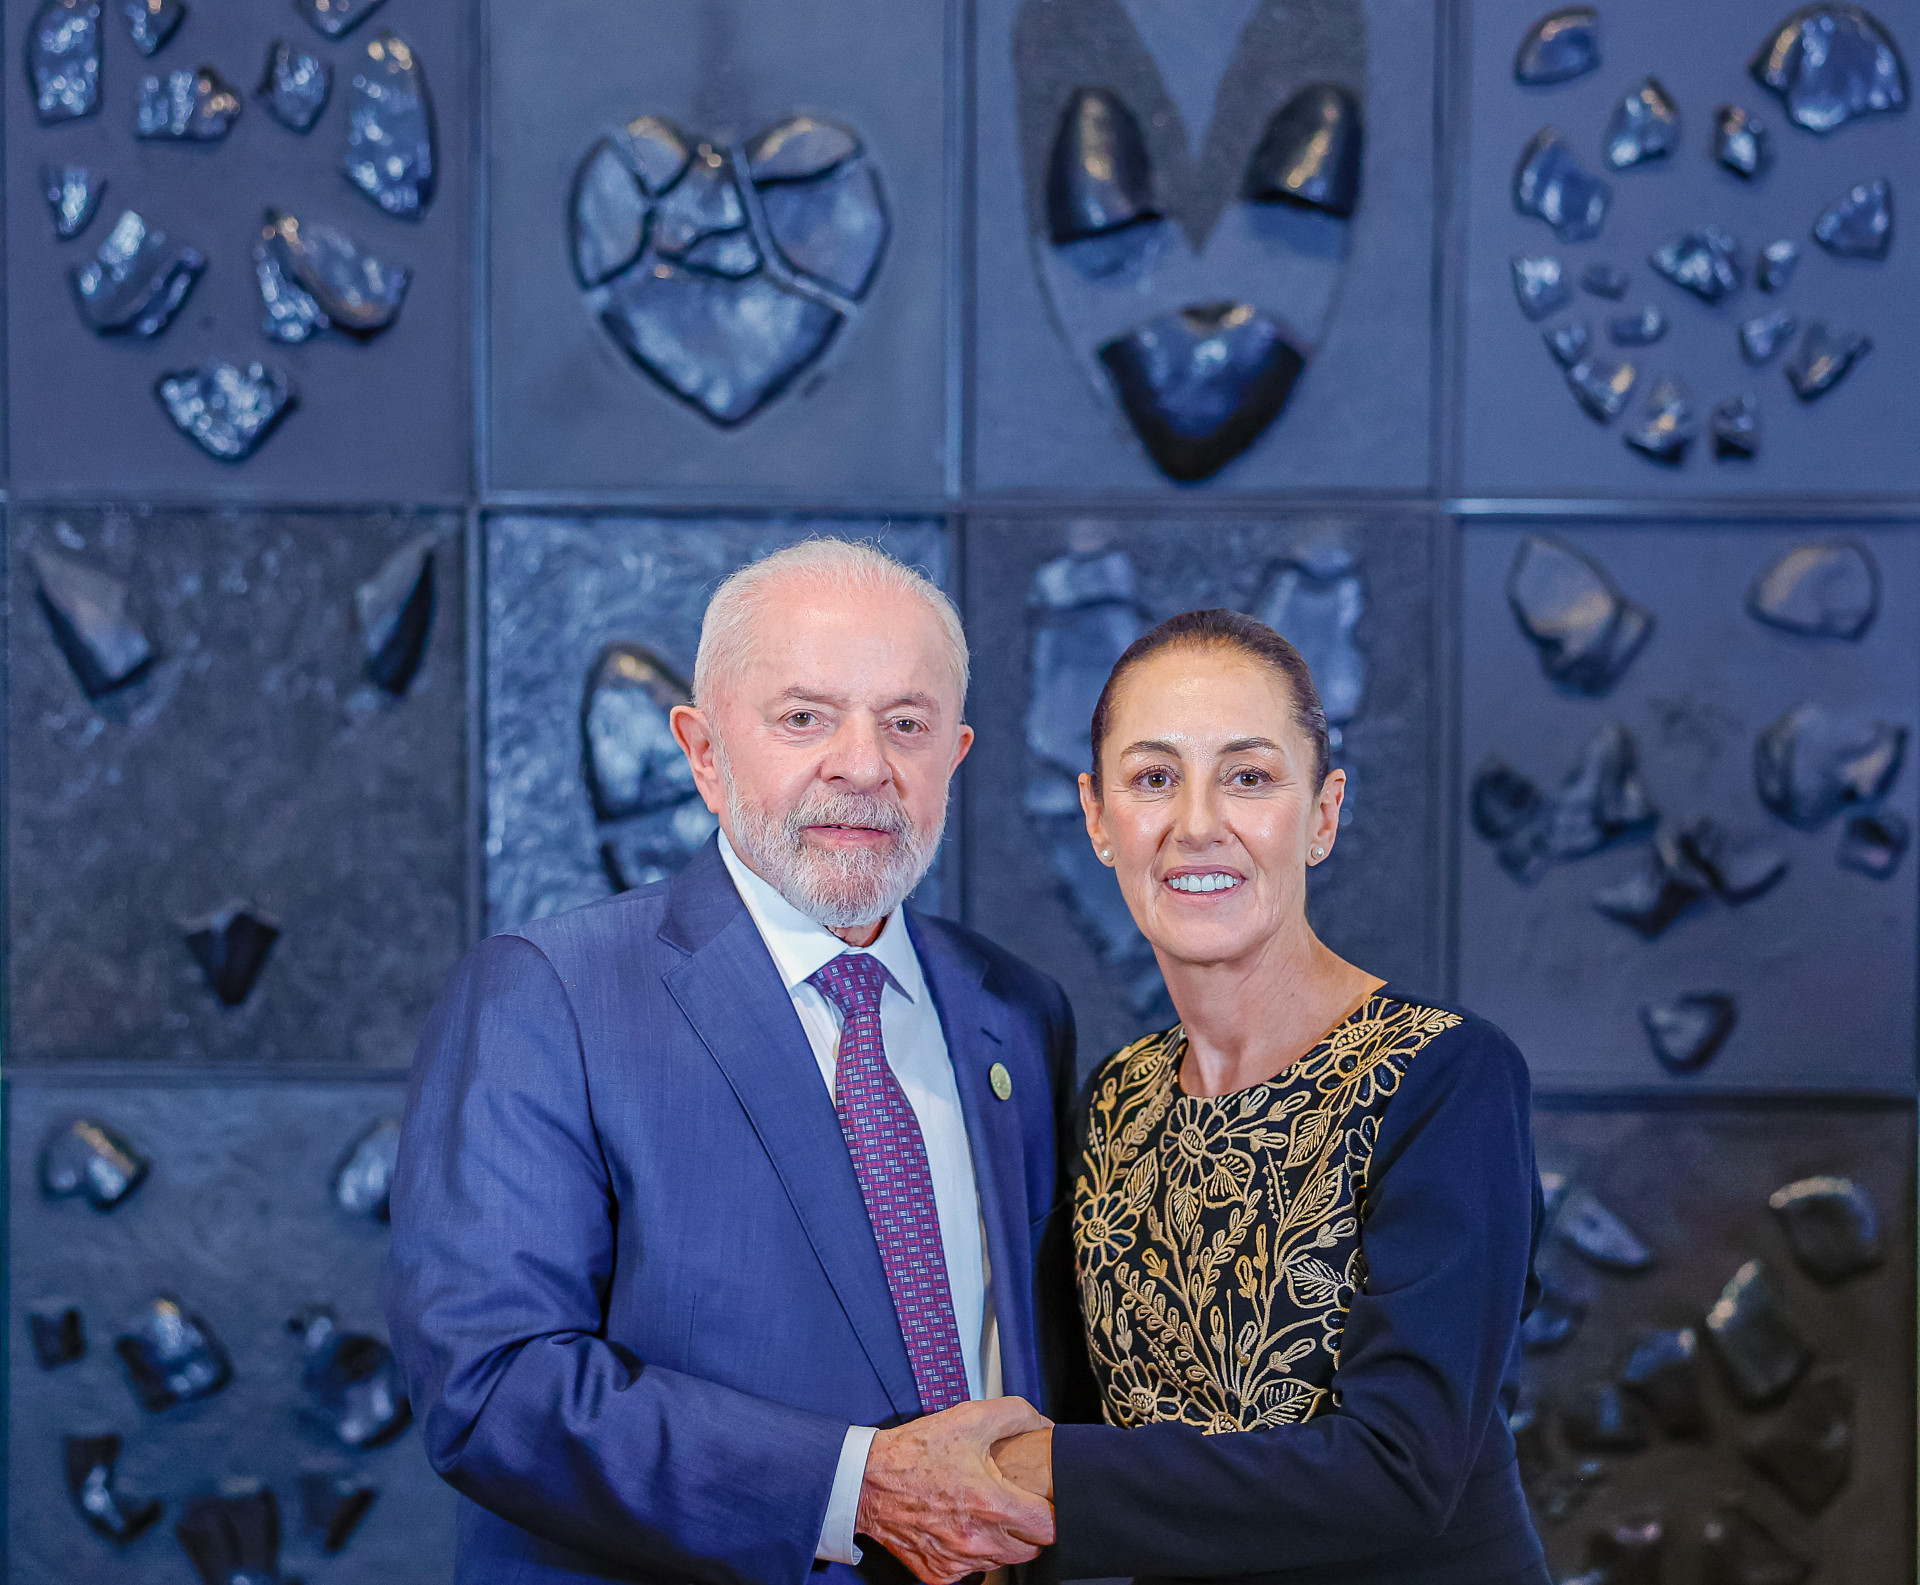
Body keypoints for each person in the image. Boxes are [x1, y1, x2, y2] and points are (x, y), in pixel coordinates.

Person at [386, 539, 1077, 1585]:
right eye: (805, 717)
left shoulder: (1017, 1012)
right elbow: (491, 1383)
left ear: (956, 754)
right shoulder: (548, 995)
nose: (861, 762)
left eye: (906, 722)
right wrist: (860, 1486)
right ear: (703, 752)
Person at [995, 608, 1550, 1585]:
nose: (1198, 822)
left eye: (1248, 776)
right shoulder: (1114, 1102)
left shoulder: (1447, 1076)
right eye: (1154, 777)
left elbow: (1401, 1466)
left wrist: (1041, 1468)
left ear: (1324, 813)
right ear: (1096, 818)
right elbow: (1092, 1411)